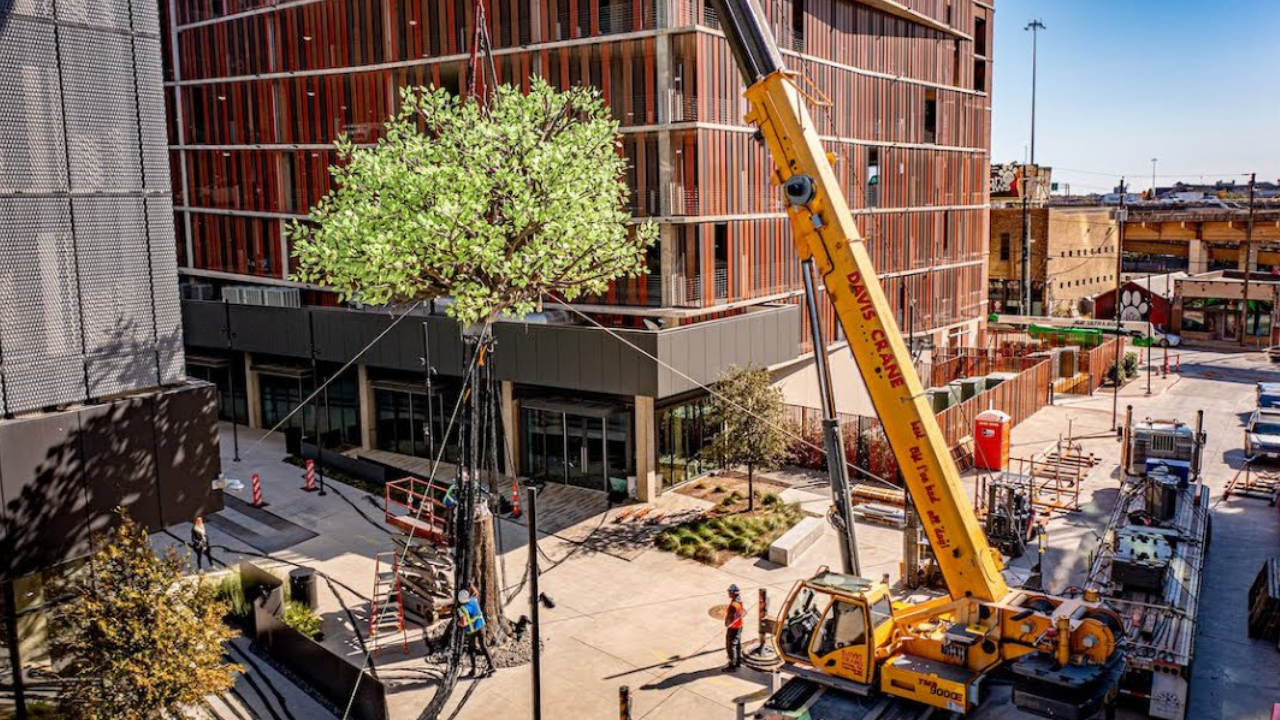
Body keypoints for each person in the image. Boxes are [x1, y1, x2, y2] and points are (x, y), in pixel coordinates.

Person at [457, 589, 495, 678]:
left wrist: (458, 623)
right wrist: (471, 586)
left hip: (471, 631)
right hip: (481, 626)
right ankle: (491, 666)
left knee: (472, 649)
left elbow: (464, 623)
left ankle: (473, 670)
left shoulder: (462, 609)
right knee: (484, 646)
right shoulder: (473, 600)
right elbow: (476, 592)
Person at [723, 584, 746, 671]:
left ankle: (732, 666)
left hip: (733, 627)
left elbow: (730, 617)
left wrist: (727, 624)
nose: (728, 593)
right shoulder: (739, 601)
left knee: (730, 646)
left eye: (729, 592)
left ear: (733, 593)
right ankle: (738, 662)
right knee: (737, 645)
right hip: (739, 626)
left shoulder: (733, 604)